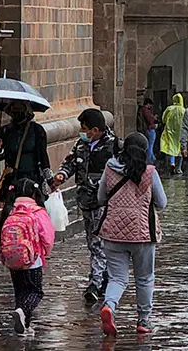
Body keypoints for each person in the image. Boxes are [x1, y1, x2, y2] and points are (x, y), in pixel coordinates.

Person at [98, 133, 167, 337]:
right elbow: (162, 203)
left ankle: (109, 306)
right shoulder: (149, 172)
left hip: (113, 234)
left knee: (117, 278)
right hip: (142, 235)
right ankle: (144, 321)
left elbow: (101, 197)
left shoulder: (110, 169)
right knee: (145, 278)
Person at [54, 108, 121, 304]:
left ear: (95, 129)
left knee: (98, 243)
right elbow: (71, 163)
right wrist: (62, 176)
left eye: (84, 129)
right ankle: (105, 278)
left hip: (105, 203)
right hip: (86, 201)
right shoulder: (81, 145)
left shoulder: (113, 146)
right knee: (94, 242)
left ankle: (95, 282)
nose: (82, 133)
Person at [0, 178, 55, 335]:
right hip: (33, 260)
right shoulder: (37, 212)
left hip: (12, 259)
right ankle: (23, 313)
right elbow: (48, 236)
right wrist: (45, 251)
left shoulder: (9, 210)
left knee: (20, 291)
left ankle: (24, 325)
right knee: (35, 291)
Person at [0, 101, 52, 205]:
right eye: (14, 110)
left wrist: (50, 179)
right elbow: (0, 156)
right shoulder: (6, 130)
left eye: (19, 110)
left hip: (32, 176)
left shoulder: (36, 130)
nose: (16, 113)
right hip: (13, 177)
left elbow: (43, 156)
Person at [159, 94, 185, 176]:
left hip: (170, 131)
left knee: (171, 147)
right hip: (181, 132)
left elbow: (163, 118)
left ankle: (172, 163)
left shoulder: (169, 109)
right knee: (180, 149)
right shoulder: (183, 110)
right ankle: (179, 168)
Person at [136, 98, 158, 163]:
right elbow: (150, 119)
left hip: (147, 129)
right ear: (148, 104)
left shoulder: (143, 110)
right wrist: (154, 119)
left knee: (150, 145)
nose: (150, 107)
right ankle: (150, 160)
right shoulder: (146, 110)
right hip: (150, 129)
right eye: (150, 105)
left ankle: (152, 159)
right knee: (150, 146)